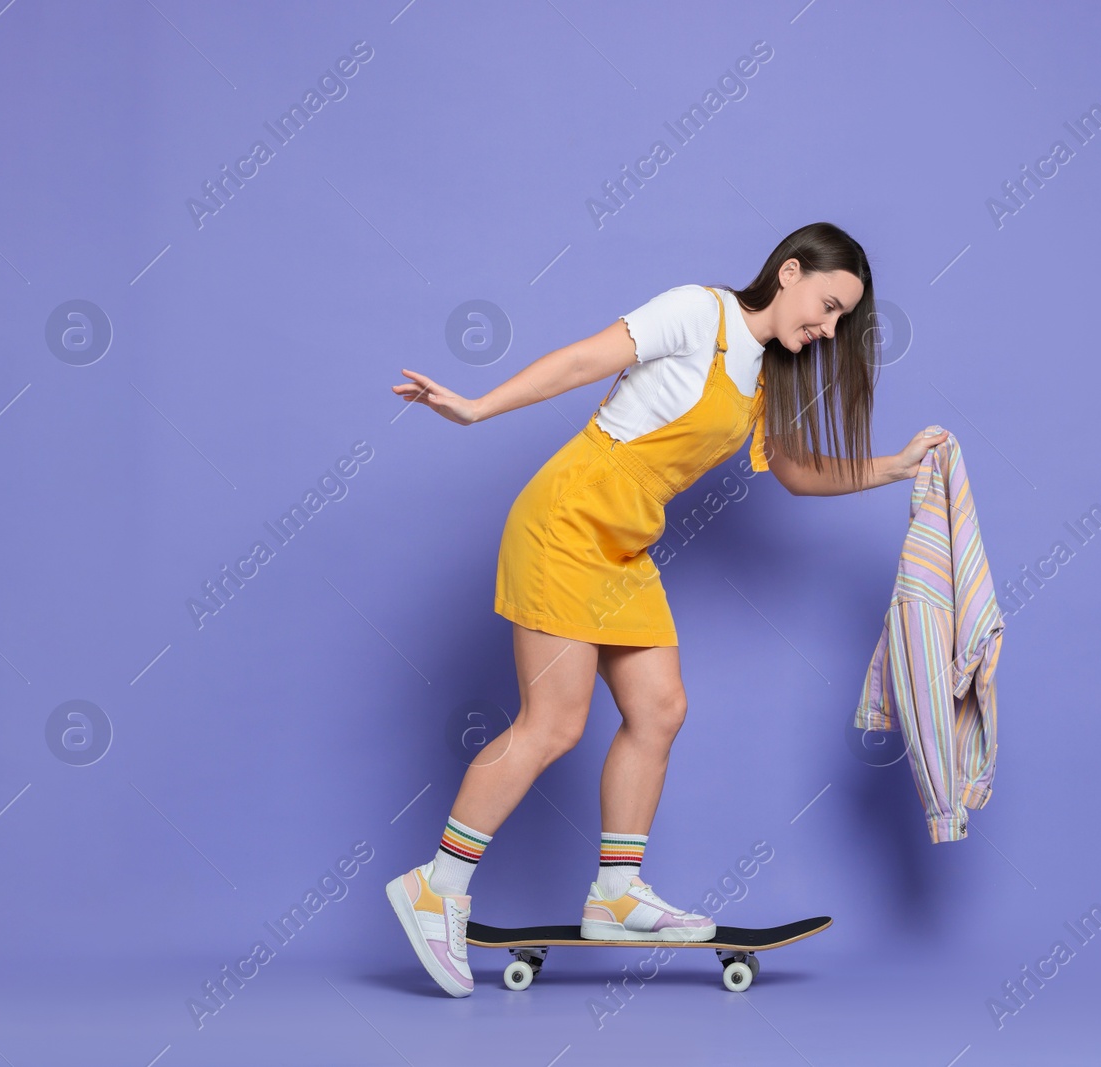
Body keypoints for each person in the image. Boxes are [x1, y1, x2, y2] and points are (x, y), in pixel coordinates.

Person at [385, 221, 948, 996]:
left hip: (625, 544)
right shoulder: (698, 312)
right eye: (826, 304)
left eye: (842, 320)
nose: (828, 327)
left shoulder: (762, 380)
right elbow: (587, 358)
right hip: (567, 520)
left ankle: (616, 892)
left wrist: (893, 466)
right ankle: (435, 887)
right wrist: (479, 408)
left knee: (659, 708)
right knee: (554, 721)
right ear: (788, 273)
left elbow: (795, 474)